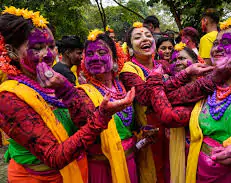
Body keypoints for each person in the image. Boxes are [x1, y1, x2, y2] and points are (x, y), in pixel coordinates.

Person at [0, 7, 134, 183]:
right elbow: (54, 157)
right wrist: (102, 115)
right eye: (38, 48)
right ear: (11, 51)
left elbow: (85, 123)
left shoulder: (55, 82)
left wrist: (67, 91)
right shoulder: (8, 97)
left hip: (79, 172)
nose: (48, 55)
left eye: (52, 46)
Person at [150, 14, 231, 183]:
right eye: (215, 44)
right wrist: (192, 73)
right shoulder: (209, 84)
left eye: (227, 43)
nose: (217, 48)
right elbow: (170, 98)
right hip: (202, 173)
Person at [120, 22, 214, 183]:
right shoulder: (128, 69)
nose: (145, 39)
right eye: (138, 37)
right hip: (150, 132)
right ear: (129, 48)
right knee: (153, 173)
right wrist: (183, 75)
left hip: (173, 129)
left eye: (148, 35)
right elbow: (145, 96)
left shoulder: (163, 65)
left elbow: (170, 91)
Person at [75, 29, 141, 183]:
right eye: (89, 54)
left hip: (130, 161)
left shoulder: (125, 84)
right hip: (102, 167)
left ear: (115, 58)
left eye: (101, 52)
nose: (95, 58)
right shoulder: (82, 93)